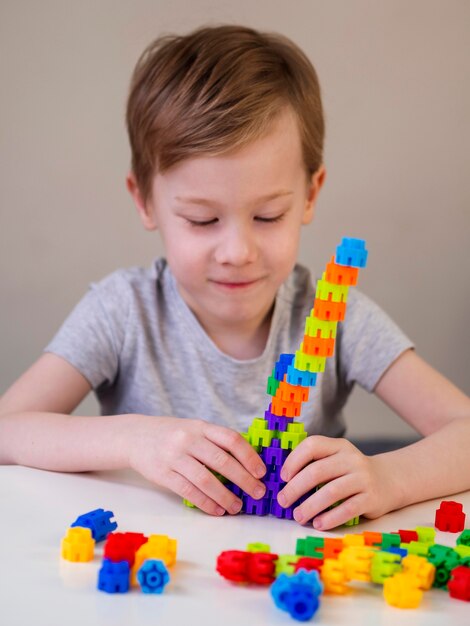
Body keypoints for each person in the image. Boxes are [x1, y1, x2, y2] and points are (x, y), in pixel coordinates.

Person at [1, 25, 469, 531]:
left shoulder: (335, 318)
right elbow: (7, 430)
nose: (238, 252)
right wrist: (133, 438)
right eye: (202, 220)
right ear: (144, 201)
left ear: (310, 195)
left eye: (267, 216)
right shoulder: (122, 311)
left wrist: (388, 477)